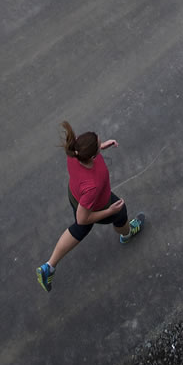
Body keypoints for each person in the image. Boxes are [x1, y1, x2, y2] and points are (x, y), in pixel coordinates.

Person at [36, 120, 145, 292]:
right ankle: (127, 234)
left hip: (75, 195)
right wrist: (109, 210)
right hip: (97, 204)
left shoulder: (74, 151)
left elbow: (86, 150)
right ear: (93, 157)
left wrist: (101, 146)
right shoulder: (92, 184)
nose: (101, 143)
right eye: (98, 145)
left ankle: (49, 267)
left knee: (81, 229)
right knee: (119, 212)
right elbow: (83, 217)